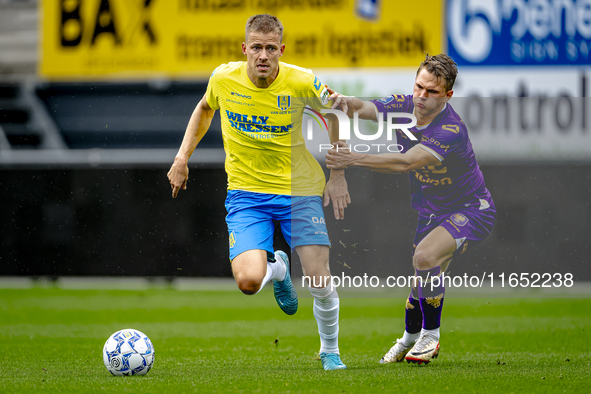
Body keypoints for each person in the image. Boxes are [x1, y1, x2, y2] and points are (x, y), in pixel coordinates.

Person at [167, 14, 350, 371]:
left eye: (270, 48)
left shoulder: (302, 82)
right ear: (244, 48)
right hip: (246, 194)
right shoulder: (223, 78)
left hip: (299, 191)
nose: (263, 55)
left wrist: (338, 173)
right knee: (249, 282)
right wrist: (181, 157)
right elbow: (205, 108)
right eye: (256, 47)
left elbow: (336, 115)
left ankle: (330, 351)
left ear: (281, 50)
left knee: (317, 276)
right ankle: (279, 269)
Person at [325, 54, 495, 365]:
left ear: (447, 95)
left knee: (424, 257)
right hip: (431, 212)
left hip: (471, 209)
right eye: (419, 86)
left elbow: (407, 162)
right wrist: (348, 102)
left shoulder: (450, 130)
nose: (421, 95)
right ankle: (409, 338)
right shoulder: (404, 105)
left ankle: (431, 336)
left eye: (431, 91)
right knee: (422, 278)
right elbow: (366, 109)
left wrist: (353, 158)